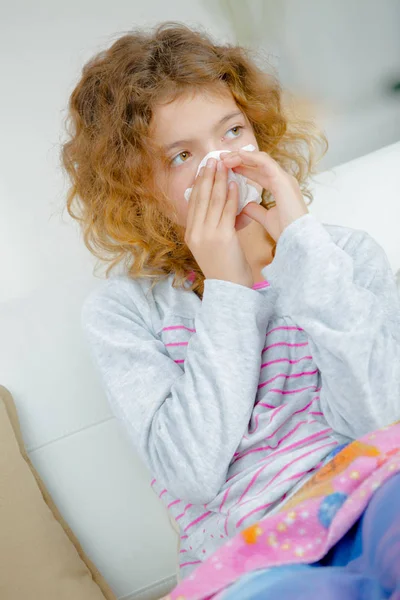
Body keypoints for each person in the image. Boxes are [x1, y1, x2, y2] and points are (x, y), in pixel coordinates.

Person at [60, 21, 400, 581]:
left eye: (232, 131)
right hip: (253, 558)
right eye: (181, 156)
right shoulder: (125, 313)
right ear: (137, 187)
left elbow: (382, 418)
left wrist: (303, 249)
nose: (219, 164)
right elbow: (191, 473)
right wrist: (226, 289)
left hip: (369, 497)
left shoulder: (340, 257)